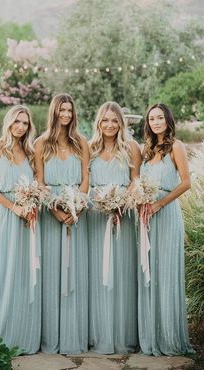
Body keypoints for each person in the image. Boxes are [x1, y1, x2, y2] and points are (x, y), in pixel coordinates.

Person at [0, 105, 41, 354]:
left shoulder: (29, 151)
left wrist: (33, 202)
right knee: (3, 270)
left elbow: (38, 183)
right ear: (8, 122)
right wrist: (13, 207)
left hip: (29, 218)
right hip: (6, 217)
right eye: (17, 121)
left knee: (24, 274)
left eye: (25, 123)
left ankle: (23, 334)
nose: (20, 127)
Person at [34, 93, 89, 354]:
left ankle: (73, 334)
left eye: (69, 110)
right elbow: (40, 182)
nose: (66, 114)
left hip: (76, 216)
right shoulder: (41, 143)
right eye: (62, 110)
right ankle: (50, 335)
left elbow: (86, 178)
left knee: (74, 273)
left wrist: (76, 206)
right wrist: (55, 210)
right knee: (52, 273)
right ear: (54, 112)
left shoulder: (81, 142)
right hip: (51, 215)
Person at [138, 103, 194, 356]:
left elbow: (186, 183)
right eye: (152, 118)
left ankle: (170, 337)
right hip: (146, 217)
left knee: (167, 272)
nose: (156, 122)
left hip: (167, 214)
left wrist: (160, 203)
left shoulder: (177, 146)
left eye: (160, 117)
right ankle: (150, 335)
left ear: (168, 120)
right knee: (149, 273)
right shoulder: (146, 150)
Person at [88, 101, 141, 354]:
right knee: (98, 273)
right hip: (96, 218)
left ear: (121, 123)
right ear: (98, 122)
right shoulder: (90, 148)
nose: (109, 125)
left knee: (122, 272)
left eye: (114, 120)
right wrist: (102, 203)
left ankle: (123, 333)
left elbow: (135, 181)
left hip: (124, 217)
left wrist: (121, 203)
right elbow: (84, 184)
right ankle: (99, 332)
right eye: (105, 120)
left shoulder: (131, 147)